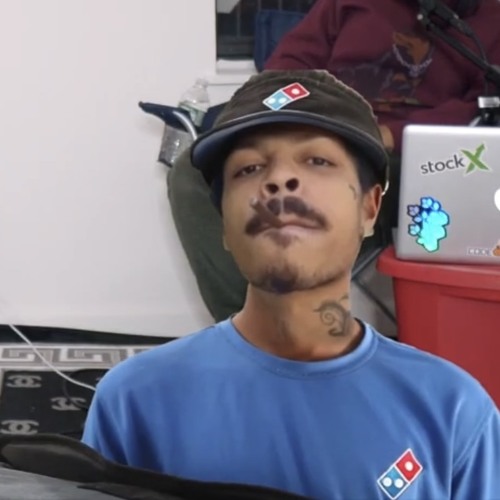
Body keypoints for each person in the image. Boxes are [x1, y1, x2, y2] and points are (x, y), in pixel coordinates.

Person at [83, 70, 500, 499]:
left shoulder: (452, 411)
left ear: (369, 208)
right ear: (223, 224)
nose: (279, 179)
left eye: (317, 160)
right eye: (249, 168)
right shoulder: (135, 401)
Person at [167, 0, 500, 322]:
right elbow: (287, 68)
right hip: (325, 131)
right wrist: (301, 120)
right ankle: (249, 328)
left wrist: (391, 134)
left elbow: (483, 106)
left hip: (409, 158)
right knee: (193, 173)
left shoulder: (490, 19)